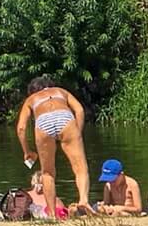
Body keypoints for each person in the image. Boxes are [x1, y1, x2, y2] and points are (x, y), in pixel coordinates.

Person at [15, 76, 92, 217]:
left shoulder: (31, 99)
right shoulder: (61, 91)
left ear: (32, 91)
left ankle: (52, 213)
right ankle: (83, 201)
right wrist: (77, 133)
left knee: (48, 173)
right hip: (65, 118)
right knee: (80, 167)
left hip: (43, 122)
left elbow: (21, 128)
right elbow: (80, 110)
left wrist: (27, 151)